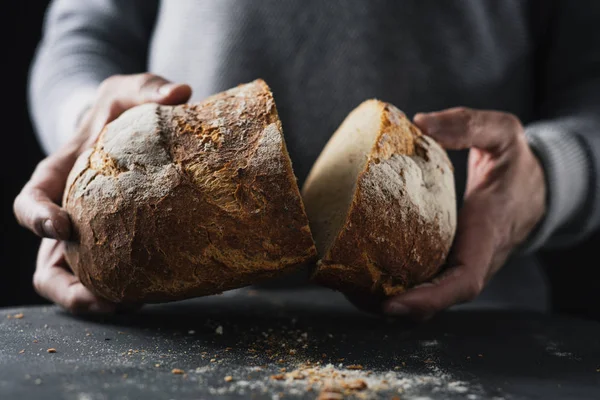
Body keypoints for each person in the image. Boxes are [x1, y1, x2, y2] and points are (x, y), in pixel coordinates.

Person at [15, 1, 600, 318]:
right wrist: (88, 128)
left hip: (474, 331)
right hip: (181, 328)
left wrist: (547, 177)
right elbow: (83, 37)